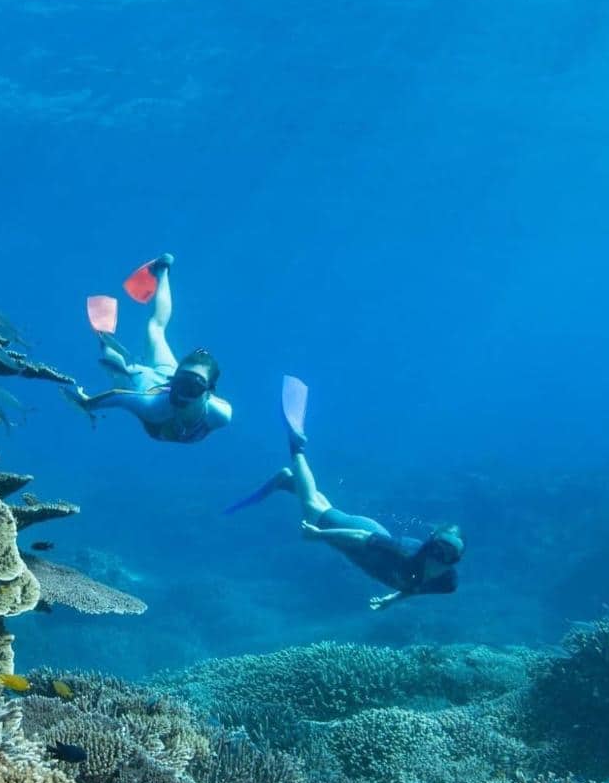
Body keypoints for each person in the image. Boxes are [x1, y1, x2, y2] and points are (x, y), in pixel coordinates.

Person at [227, 375, 464, 610]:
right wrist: (318, 535)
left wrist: (390, 600)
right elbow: (361, 536)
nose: (438, 561)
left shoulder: (447, 582)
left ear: (455, 561)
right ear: (429, 546)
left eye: (448, 557)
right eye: (437, 551)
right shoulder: (404, 552)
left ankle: (289, 482)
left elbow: (416, 589)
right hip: (361, 538)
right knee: (312, 511)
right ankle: (296, 446)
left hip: (360, 556)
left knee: (323, 509)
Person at [67, 254, 232, 443]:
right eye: (181, 381)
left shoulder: (220, 415)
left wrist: (88, 404)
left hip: (165, 377)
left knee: (155, 329)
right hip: (148, 382)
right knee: (120, 370)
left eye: (194, 386)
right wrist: (87, 404)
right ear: (175, 378)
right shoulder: (151, 405)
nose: (183, 391)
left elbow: (117, 398)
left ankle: (162, 270)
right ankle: (105, 333)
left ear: (209, 391)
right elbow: (119, 396)